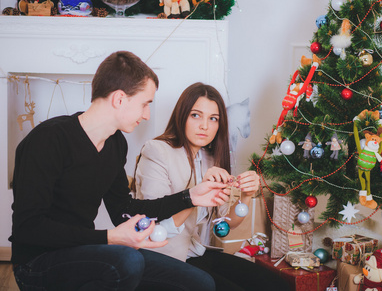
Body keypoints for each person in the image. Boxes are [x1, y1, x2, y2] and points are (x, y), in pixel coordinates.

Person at [9, 51, 231, 291]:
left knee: (200, 283)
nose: (147, 115)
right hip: (36, 264)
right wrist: (109, 238)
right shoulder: (48, 139)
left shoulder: (115, 144)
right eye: (145, 104)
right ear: (119, 99)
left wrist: (190, 197)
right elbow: (29, 227)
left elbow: (124, 211)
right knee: (127, 259)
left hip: (83, 252)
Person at [134, 82, 290, 291]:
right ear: (182, 116)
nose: (204, 126)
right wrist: (197, 194)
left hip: (197, 252)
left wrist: (245, 196)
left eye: (213, 119)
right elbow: (154, 225)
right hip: (163, 256)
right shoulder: (157, 151)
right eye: (196, 115)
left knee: (276, 285)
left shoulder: (210, 158)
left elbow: (224, 226)